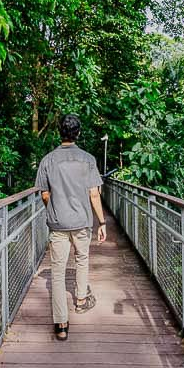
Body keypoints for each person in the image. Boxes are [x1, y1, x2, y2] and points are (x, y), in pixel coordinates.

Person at [34, 114, 107, 341]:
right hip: (82, 222)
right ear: (78, 132)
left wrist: (55, 206)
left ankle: (61, 324)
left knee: (57, 273)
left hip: (58, 223)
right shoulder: (88, 159)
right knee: (82, 259)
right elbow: (94, 193)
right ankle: (81, 300)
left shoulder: (48, 160)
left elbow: (44, 194)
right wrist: (102, 222)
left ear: (60, 132)